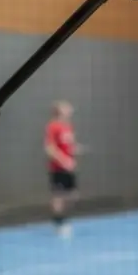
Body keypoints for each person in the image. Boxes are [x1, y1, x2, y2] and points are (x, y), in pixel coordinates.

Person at [44, 100, 78, 239]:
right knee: (58, 195)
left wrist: (75, 150)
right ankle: (58, 224)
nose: (70, 109)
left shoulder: (68, 126)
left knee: (71, 195)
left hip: (69, 167)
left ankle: (64, 219)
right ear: (59, 111)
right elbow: (49, 148)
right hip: (58, 167)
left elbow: (68, 144)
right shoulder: (53, 127)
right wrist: (63, 160)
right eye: (66, 108)